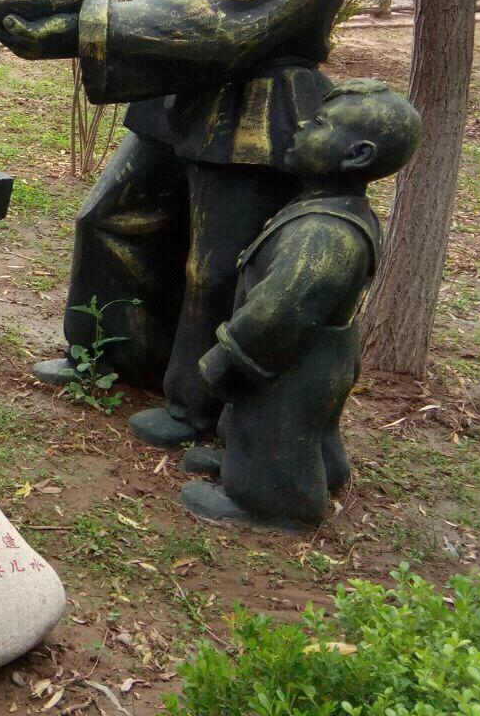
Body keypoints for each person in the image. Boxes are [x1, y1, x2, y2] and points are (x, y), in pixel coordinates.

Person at [0, 0, 371, 447]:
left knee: (214, 266)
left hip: (253, 112)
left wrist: (85, 27)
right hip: (176, 100)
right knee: (111, 218)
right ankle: (109, 353)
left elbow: (219, 22)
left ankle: (194, 406)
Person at [179, 79, 420, 530]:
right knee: (310, 425)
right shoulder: (334, 208)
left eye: (320, 124)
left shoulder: (324, 234)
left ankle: (274, 502)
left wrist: (226, 359)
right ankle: (325, 467)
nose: (303, 127)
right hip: (321, 357)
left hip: (290, 366)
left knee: (276, 427)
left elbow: (276, 313)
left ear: (357, 156)